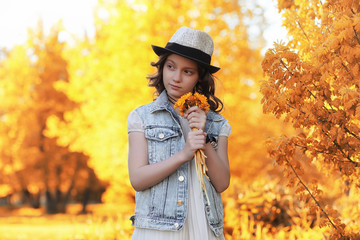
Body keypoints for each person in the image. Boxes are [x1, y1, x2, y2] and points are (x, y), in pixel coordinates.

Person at [127, 26, 231, 240]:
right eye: (171, 67)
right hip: (158, 230)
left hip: (203, 228)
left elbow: (221, 183)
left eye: (187, 71)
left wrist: (203, 139)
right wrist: (184, 154)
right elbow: (137, 179)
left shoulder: (217, 123)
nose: (176, 77)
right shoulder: (143, 118)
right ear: (162, 67)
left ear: (199, 78)